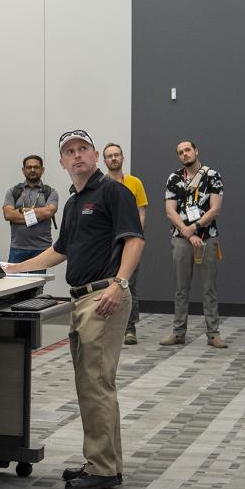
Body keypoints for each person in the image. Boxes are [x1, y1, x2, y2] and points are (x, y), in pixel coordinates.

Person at [6, 129, 144, 489]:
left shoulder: (114, 192)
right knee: (94, 385)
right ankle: (103, 462)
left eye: (84, 149)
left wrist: (121, 284)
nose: (78, 155)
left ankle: (102, 469)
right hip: (81, 299)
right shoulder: (71, 204)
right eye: (70, 151)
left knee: (96, 385)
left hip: (105, 296)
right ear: (63, 163)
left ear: (96, 156)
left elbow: (134, 239)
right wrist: (17, 268)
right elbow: (60, 250)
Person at [162, 140, 225, 348]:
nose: (185, 154)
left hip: (207, 237)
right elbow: (170, 211)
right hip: (181, 239)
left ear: (196, 151)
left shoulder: (212, 176)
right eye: (180, 152)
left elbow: (215, 209)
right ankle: (178, 332)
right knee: (181, 288)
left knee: (209, 288)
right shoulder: (174, 178)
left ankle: (213, 334)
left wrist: (195, 227)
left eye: (188, 150)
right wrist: (188, 233)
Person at [102, 142, 148, 345]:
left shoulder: (134, 183)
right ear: (104, 161)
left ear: (122, 158)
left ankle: (130, 329)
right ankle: (105, 328)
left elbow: (141, 212)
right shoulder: (100, 185)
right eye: (109, 156)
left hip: (128, 243)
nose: (113, 158)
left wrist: (135, 236)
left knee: (129, 287)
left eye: (117, 155)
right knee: (104, 286)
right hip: (106, 247)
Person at [2, 155, 58, 272]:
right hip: (17, 248)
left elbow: (48, 212)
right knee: (14, 286)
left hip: (42, 249)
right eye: (29, 167)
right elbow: (8, 215)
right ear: (23, 170)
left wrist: (22, 211)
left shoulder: (50, 192)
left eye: (36, 167)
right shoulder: (13, 191)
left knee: (37, 287)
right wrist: (39, 213)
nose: (32, 170)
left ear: (42, 170)